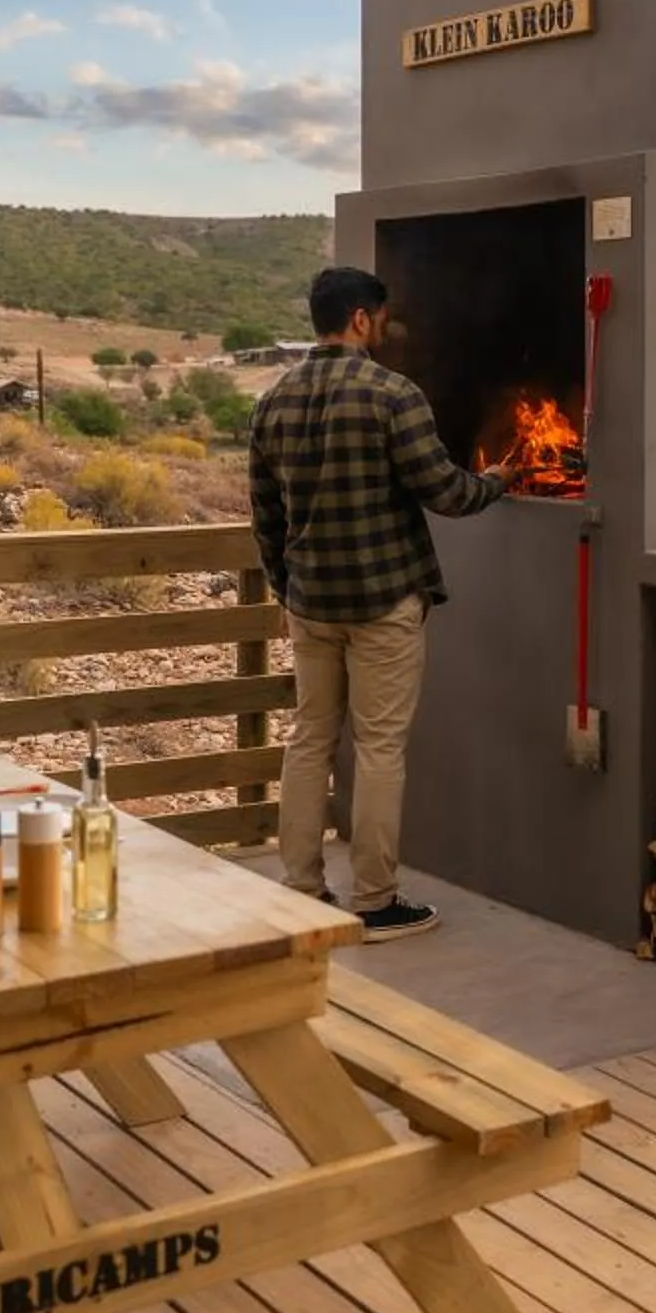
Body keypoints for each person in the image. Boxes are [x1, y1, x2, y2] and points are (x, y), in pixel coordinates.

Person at [250, 266, 513, 941]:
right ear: (363, 320)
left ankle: (302, 891)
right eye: (381, 321)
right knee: (378, 749)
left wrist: (283, 587)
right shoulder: (392, 394)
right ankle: (374, 902)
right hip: (382, 602)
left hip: (310, 602)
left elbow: (265, 517)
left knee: (309, 740)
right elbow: (444, 492)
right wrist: (496, 481)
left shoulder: (272, 401)